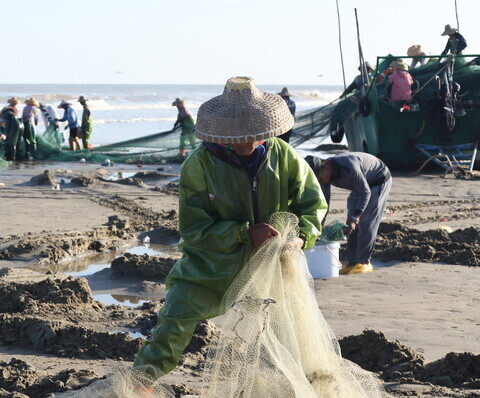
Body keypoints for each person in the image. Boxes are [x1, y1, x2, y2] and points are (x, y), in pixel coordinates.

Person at [133, 77, 327, 381]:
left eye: (253, 135)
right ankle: (139, 388)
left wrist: (301, 236)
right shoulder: (199, 164)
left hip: (270, 265)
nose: (245, 143)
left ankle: (290, 396)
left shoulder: (284, 155)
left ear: (265, 129)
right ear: (221, 132)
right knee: (174, 317)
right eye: (236, 137)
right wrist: (244, 233)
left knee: (283, 335)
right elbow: (194, 228)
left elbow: (312, 203)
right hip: (212, 263)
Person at [304, 153, 391, 275]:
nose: (319, 182)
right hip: (360, 185)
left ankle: (365, 262)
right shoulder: (323, 175)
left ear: (326, 168)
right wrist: (319, 227)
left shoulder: (350, 167)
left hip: (378, 180)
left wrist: (356, 217)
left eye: (318, 179)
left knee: (366, 221)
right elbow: (324, 203)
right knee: (349, 225)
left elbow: (365, 193)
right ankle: (352, 262)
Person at [0, 97, 22, 162]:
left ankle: (12, 158)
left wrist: (7, 130)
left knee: (12, 143)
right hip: (20, 124)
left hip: (14, 126)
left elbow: (7, 122)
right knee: (17, 142)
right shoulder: (14, 109)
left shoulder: (7, 111)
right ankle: (17, 156)